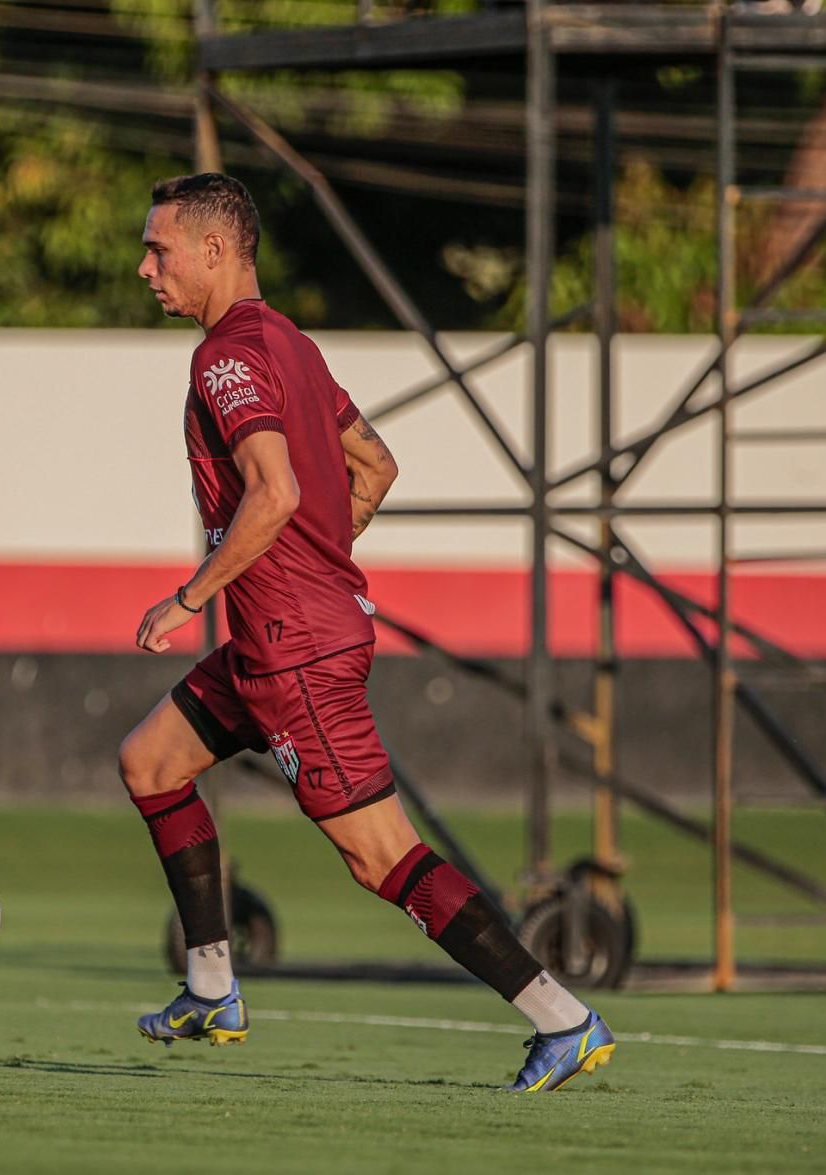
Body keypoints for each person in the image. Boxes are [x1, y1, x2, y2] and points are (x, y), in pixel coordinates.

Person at [120, 172, 615, 1093]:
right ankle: (212, 985)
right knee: (151, 761)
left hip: (294, 649)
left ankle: (565, 1018)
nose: (147, 266)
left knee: (381, 855)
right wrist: (307, 564)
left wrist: (191, 597)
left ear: (216, 250)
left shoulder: (225, 357)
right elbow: (376, 465)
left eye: (161, 248)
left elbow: (275, 491)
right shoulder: (289, 343)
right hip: (284, 635)